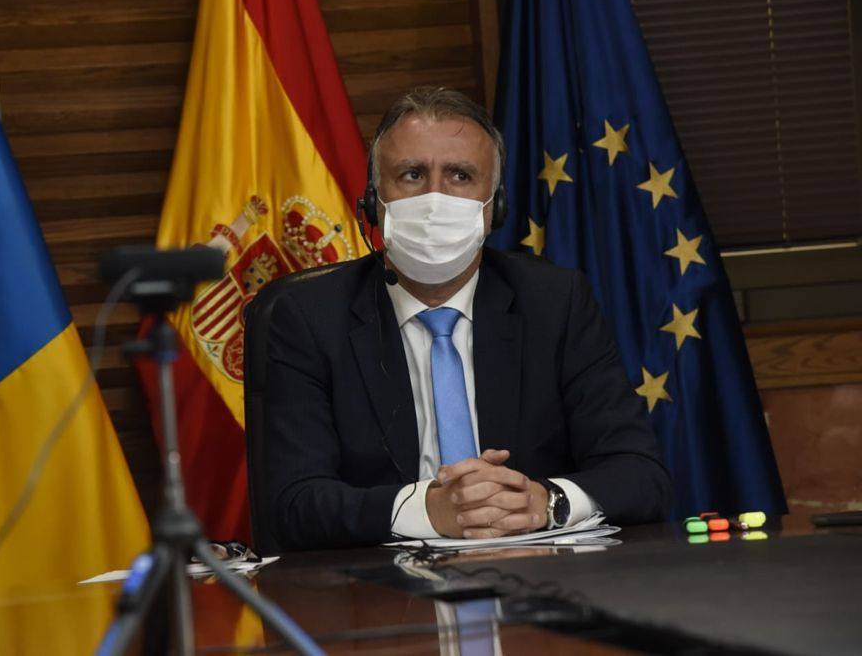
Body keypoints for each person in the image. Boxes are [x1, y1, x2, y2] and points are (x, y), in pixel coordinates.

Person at [262, 86, 671, 551]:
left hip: (539, 579)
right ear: (374, 201)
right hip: (383, 592)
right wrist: (426, 511)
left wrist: (544, 501)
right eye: (411, 174)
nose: (435, 200)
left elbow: (642, 475)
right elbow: (292, 503)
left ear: (494, 206)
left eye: (460, 175)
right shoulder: (310, 317)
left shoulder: (555, 302)